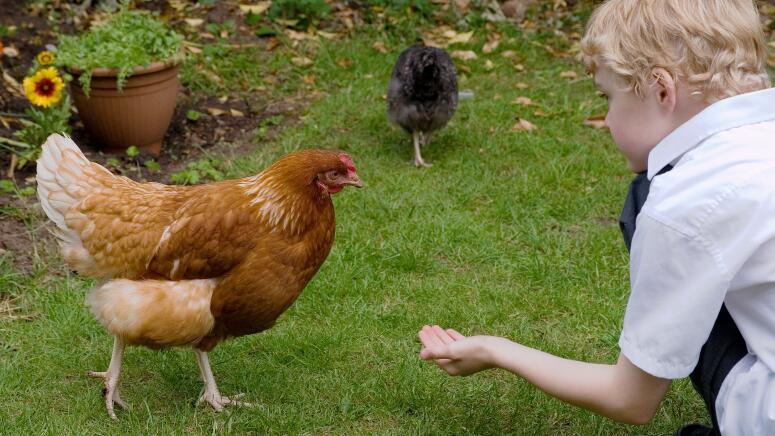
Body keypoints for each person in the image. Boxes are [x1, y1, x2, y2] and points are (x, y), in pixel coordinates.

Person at [418, 1, 774, 434]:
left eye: (608, 97)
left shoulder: (685, 203)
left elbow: (630, 400)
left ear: (662, 89)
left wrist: (497, 350)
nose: (606, 119)